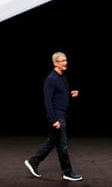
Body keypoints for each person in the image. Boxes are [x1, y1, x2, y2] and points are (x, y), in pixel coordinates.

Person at [25, 52, 83, 182]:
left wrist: (70, 94)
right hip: (57, 117)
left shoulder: (62, 77)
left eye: (66, 60)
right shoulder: (51, 79)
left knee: (52, 141)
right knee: (62, 145)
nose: (65, 62)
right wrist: (54, 119)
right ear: (55, 63)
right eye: (62, 60)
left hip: (62, 114)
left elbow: (59, 95)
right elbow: (48, 101)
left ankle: (33, 162)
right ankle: (67, 172)